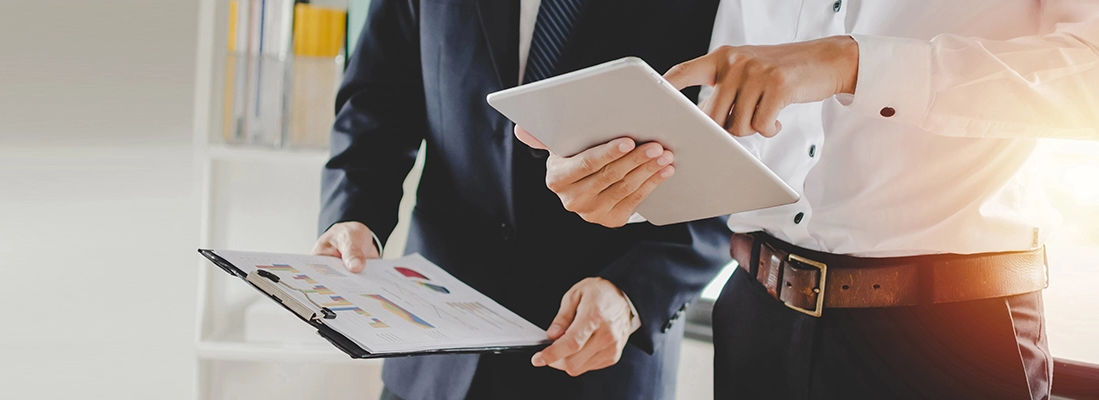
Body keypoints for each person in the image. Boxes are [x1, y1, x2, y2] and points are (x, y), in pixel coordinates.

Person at [518, 1, 1099, 399]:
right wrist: (634, 182)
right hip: (755, 315)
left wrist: (851, 62)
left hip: (953, 335)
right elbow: (733, 114)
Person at [312, 0, 732, 399]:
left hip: (593, 356)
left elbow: (729, 167)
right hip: (430, 357)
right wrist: (354, 215)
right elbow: (378, 97)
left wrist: (634, 296)